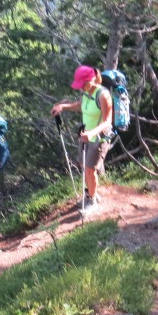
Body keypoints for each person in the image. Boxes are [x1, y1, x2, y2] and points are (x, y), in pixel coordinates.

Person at [51, 65, 112, 214]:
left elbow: (107, 121)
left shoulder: (103, 95)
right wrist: (63, 107)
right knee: (83, 165)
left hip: (99, 138)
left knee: (90, 169)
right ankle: (91, 194)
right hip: (85, 135)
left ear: (91, 80)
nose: (81, 88)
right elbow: (80, 106)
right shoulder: (86, 93)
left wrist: (92, 133)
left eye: (83, 84)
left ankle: (93, 201)